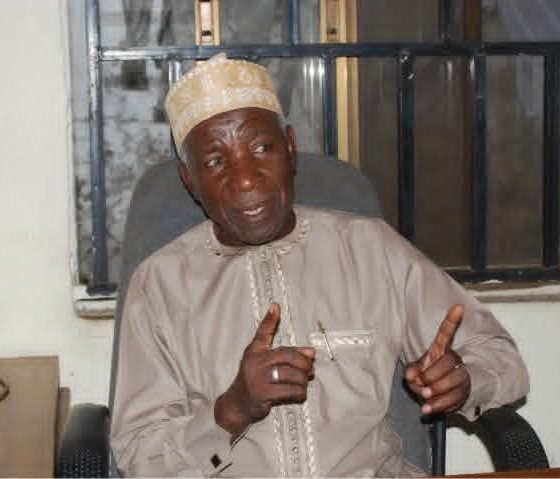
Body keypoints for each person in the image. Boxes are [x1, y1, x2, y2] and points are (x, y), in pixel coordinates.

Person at [110, 53, 529, 477]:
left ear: (290, 149)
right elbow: (138, 454)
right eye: (216, 162)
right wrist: (231, 410)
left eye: (261, 148)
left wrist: (465, 379)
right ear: (190, 180)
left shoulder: (370, 249)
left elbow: (502, 359)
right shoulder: (160, 286)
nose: (246, 178)